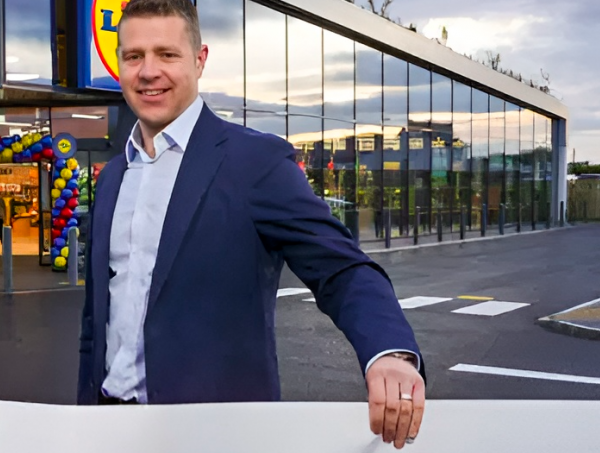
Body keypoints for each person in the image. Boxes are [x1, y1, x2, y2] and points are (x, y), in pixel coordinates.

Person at [76, 0, 426, 450]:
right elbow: (98, 320)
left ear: (199, 60)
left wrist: (388, 352)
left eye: (167, 54)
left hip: (218, 434)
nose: (148, 72)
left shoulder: (255, 162)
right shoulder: (114, 177)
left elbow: (341, 268)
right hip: (109, 426)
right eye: (134, 56)